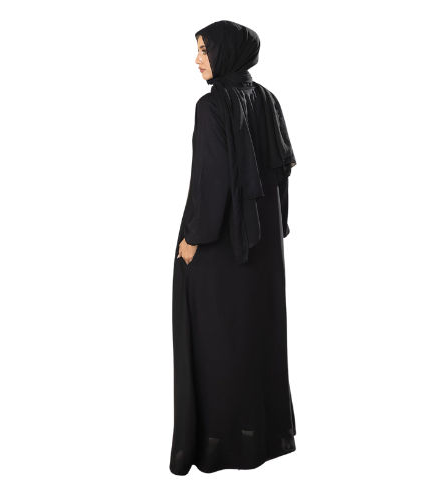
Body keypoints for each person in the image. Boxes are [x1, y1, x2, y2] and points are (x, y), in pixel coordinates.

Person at [170, 20, 297, 475]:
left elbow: (213, 181)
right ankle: (258, 439)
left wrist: (193, 240)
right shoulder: (268, 100)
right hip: (263, 252)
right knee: (254, 339)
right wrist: (276, 230)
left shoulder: (212, 106)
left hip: (221, 250)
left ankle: (218, 446)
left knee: (215, 343)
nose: (197, 60)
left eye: (204, 50)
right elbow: (282, 175)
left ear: (225, 53)